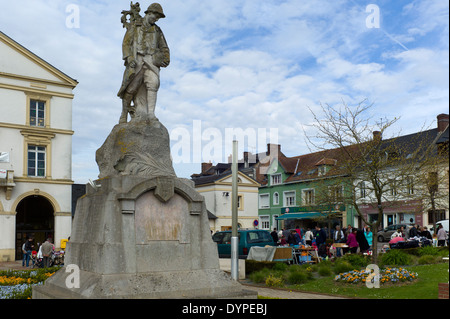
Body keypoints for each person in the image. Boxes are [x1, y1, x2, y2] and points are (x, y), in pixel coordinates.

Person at [118, 3, 170, 123]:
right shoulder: (135, 26)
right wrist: (129, 58)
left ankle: (151, 114)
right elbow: (126, 43)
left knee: (153, 83)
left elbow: (164, 47)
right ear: (149, 13)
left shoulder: (157, 30)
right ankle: (124, 113)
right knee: (131, 88)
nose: (156, 19)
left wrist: (166, 59)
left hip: (151, 61)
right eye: (155, 16)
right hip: (137, 60)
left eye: (158, 18)